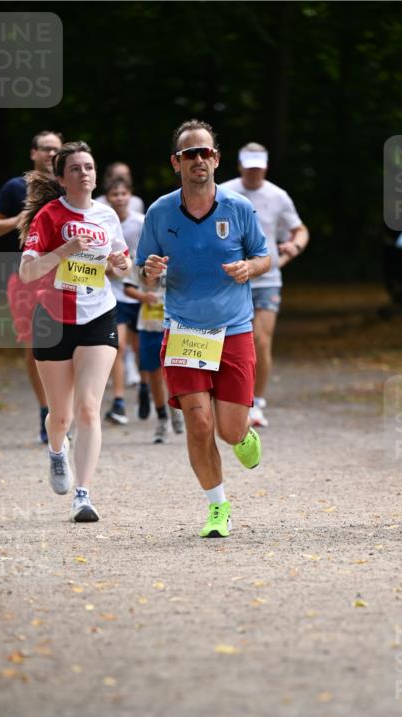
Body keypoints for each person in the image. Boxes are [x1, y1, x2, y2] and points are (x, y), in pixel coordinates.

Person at [136, 119, 271, 538]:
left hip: (232, 329)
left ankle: (243, 434)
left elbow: (265, 256)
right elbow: (144, 272)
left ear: (216, 158)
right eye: (189, 153)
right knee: (198, 424)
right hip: (184, 330)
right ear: (176, 162)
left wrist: (250, 267)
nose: (198, 159)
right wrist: (151, 271)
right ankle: (218, 508)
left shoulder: (239, 209)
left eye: (205, 152)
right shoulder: (159, 212)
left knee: (229, 430)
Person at [18, 141, 131, 523]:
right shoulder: (49, 215)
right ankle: (55, 451)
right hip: (53, 318)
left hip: (98, 315)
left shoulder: (107, 216)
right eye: (76, 168)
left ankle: (82, 496)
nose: (84, 173)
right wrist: (65, 250)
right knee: (61, 416)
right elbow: (27, 272)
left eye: (89, 167)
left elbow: (121, 265)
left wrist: (118, 263)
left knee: (87, 407)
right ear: (63, 178)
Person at [0, 131, 63, 443]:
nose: (50, 154)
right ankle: (46, 411)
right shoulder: (17, 187)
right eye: (45, 149)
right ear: (33, 153)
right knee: (36, 345)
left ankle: (63, 409)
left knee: (73, 342)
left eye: (56, 149)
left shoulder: (69, 184)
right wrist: (21, 220)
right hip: (28, 278)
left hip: (65, 275)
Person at [221, 143, 309, 427]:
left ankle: (256, 402)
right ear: (239, 166)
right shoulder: (223, 192)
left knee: (260, 340)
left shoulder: (277, 196)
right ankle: (228, 398)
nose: (254, 171)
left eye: (258, 166)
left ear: (266, 166)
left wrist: (294, 245)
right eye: (249, 166)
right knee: (227, 342)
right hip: (231, 277)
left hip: (267, 279)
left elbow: (300, 229)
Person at [102, 176, 150, 425]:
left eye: (123, 194)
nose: (119, 198)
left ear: (130, 196)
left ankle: (144, 386)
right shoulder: (104, 223)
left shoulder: (141, 223)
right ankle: (119, 400)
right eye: (114, 195)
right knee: (118, 347)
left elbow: (151, 252)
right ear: (108, 198)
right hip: (114, 293)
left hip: (139, 291)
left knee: (140, 347)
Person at [130, 267, 184, 443]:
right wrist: (142, 296)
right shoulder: (143, 254)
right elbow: (128, 285)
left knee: (174, 372)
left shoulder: (181, 250)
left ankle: (176, 409)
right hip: (149, 326)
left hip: (176, 324)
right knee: (154, 374)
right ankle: (162, 418)